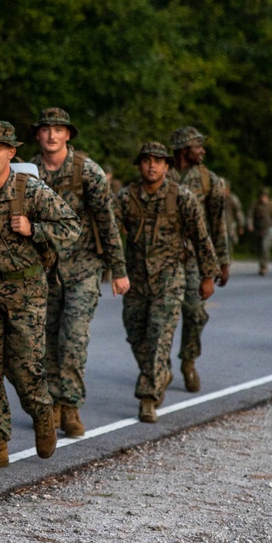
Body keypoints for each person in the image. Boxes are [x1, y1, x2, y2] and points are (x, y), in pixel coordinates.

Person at [0, 121, 79, 468]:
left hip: (25, 288)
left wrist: (34, 228)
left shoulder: (31, 190)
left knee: (25, 366)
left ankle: (42, 412)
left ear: (12, 153)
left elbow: (71, 227)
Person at [29, 107, 129, 438]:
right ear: (39, 135)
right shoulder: (29, 173)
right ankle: (52, 404)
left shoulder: (89, 172)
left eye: (58, 129)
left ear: (68, 134)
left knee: (73, 337)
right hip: (43, 269)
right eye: (46, 129)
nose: (52, 135)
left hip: (83, 266)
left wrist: (118, 269)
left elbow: (107, 222)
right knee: (46, 339)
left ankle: (70, 405)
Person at [114, 142, 218, 423]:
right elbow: (109, 232)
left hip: (170, 278)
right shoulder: (126, 198)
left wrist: (208, 275)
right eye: (146, 160)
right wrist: (114, 268)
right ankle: (161, 372)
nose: (152, 166)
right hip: (135, 280)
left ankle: (148, 398)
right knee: (136, 335)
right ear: (139, 165)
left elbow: (201, 237)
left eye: (158, 161)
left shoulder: (182, 198)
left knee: (159, 337)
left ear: (167, 166)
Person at [167, 126, 229, 393]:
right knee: (161, 315)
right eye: (197, 146)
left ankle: (188, 360)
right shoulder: (160, 173)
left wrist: (222, 262)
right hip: (163, 257)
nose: (202, 150)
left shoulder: (209, 181)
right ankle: (160, 368)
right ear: (183, 149)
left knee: (195, 312)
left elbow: (218, 224)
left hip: (194, 258)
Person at [247, 187, 272, 276]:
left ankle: (264, 267)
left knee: (265, 247)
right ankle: (261, 265)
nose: (263, 197)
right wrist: (250, 225)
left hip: (270, 229)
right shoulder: (255, 205)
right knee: (260, 249)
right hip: (259, 229)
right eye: (262, 196)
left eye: (265, 196)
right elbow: (250, 216)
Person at [222, 177, 245, 254]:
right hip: (219, 224)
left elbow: (239, 212)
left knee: (229, 241)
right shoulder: (217, 198)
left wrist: (241, 225)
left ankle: (228, 257)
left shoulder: (233, 199)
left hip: (230, 223)